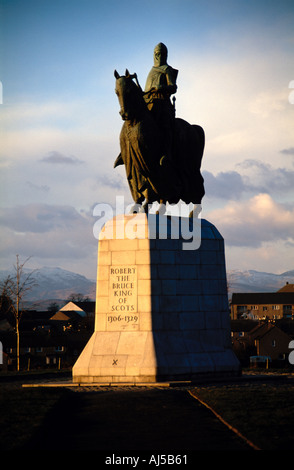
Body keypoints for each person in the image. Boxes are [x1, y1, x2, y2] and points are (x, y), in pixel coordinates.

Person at [144, 43, 178, 164]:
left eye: (161, 54)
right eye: (156, 54)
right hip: (148, 102)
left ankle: (166, 152)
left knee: (164, 124)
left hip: (162, 102)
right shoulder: (152, 70)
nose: (158, 56)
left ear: (165, 55)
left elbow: (173, 87)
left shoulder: (167, 69)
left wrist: (161, 87)